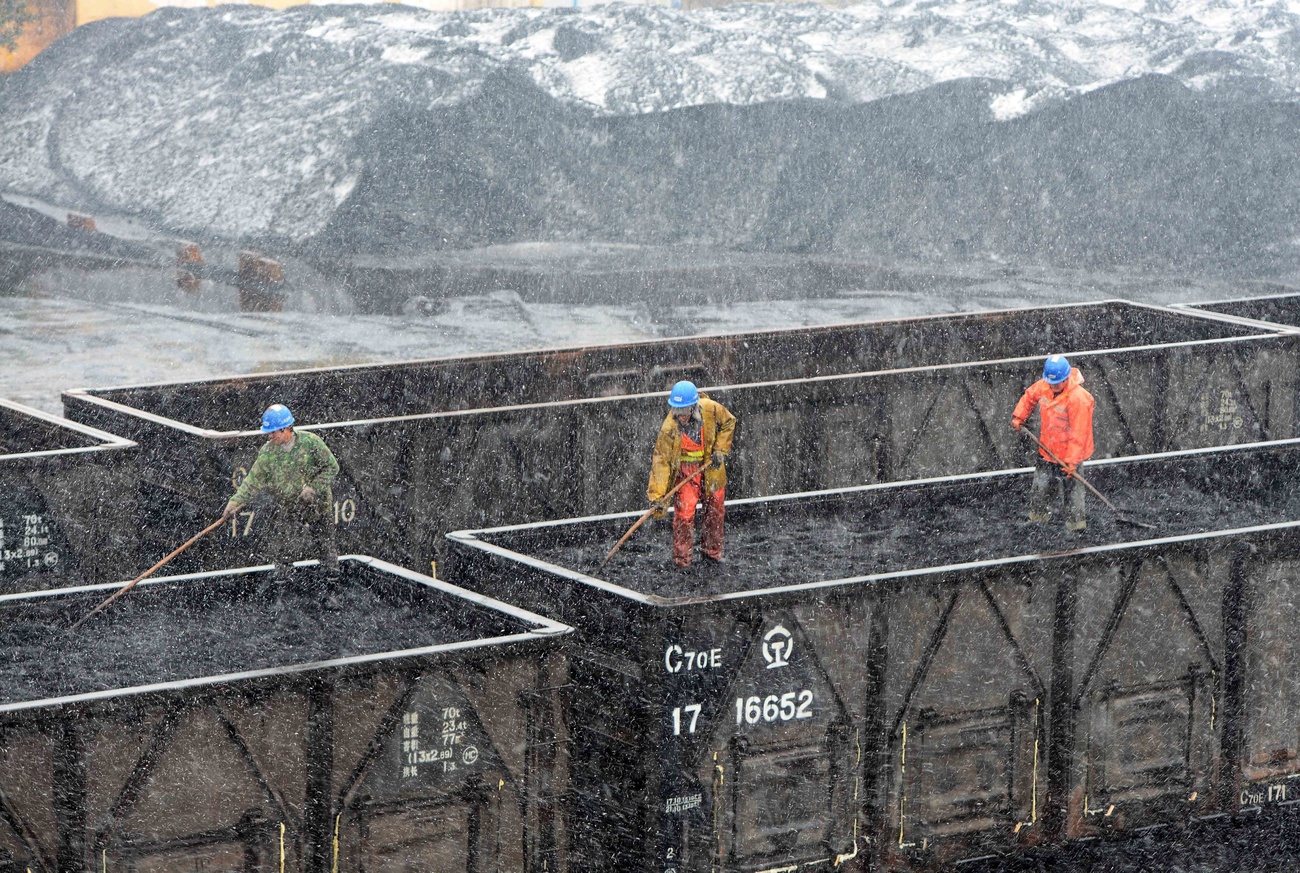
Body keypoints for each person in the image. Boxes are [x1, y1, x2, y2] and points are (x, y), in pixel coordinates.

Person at [223, 403, 341, 579]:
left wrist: (313, 488)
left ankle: (332, 587)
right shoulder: (268, 453)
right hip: (289, 506)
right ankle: (283, 587)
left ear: (286, 429)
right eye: (268, 432)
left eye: (273, 432)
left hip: (318, 505)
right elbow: (253, 480)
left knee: (325, 547)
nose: (270, 436)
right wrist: (236, 501)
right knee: (282, 549)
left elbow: (332, 467)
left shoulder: (311, 442)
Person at [647, 380, 737, 568]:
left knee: (715, 511)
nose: (681, 417)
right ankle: (682, 562)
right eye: (677, 412)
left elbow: (729, 422)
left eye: (684, 412)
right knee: (684, 516)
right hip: (686, 475)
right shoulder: (668, 429)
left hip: (711, 469)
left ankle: (712, 554)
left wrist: (720, 450)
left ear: (693, 407)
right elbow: (661, 461)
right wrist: (657, 496)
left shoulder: (711, 409)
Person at [1011, 355, 1095, 533]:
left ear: (1066, 378)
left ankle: (1076, 528)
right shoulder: (1045, 385)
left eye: (1057, 383)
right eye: (1051, 383)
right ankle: (1039, 521)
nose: (1053, 386)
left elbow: (1079, 433)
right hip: (1047, 450)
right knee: (1040, 488)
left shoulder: (1078, 399)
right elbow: (1029, 397)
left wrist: (1072, 461)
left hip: (1069, 456)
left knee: (1072, 494)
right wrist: (1019, 417)